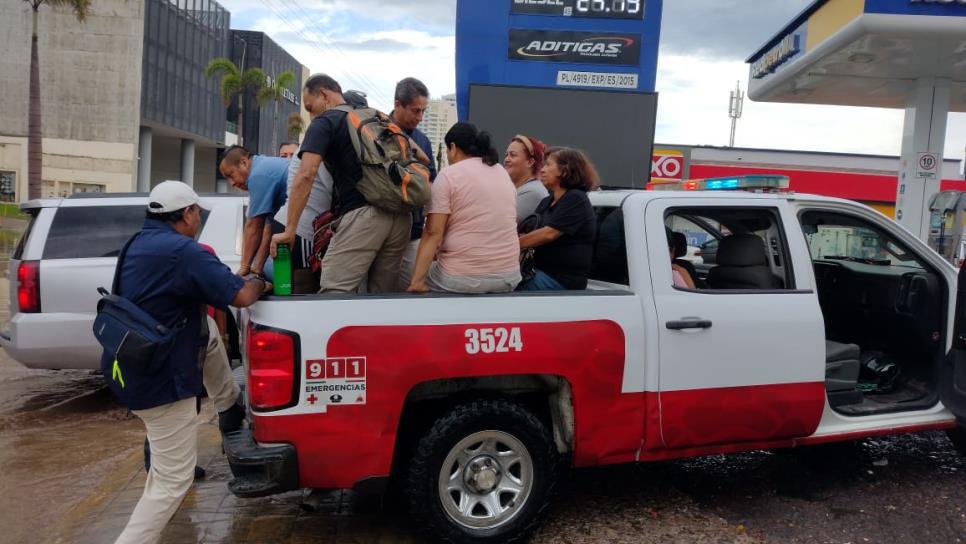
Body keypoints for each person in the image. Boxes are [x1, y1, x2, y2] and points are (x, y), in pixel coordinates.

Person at [110, 181, 266, 544]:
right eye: (198, 212)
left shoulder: (138, 242)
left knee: (207, 327)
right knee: (172, 481)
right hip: (162, 380)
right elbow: (241, 296)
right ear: (187, 214)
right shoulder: (183, 252)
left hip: (130, 367)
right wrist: (260, 281)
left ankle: (227, 403)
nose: (199, 219)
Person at [271, 73, 411, 294]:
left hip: (364, 216)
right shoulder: (377, 118)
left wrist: (290, 231)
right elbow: (419, 156)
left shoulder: (326, 122)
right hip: (401, 215)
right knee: (381, 296)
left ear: (324, 95)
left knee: (334, 291)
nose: (310, 114)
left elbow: (306, 174)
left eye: (309, 107)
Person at [407, 123, 521, 294]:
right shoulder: (501, 172)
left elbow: (432, 232)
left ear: (453, 147)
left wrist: (417, 282)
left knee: (407, 264)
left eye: (446, 150)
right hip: (508, 277)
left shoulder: (448, 175)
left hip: (462, 278)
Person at [517, 148, 598, 291]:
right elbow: (532, 231)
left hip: (560, 280)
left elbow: (549, 233)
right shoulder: (546, 202)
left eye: (548, 165)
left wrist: (511, 245)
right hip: (538, 271)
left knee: (509, 288)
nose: (542, 170)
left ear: (565, 171)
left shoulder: (576, 199)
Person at [391, 77, 438, 291]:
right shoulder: (375, 131)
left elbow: (432, 180)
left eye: (423, 111)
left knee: (409, 288)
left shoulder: (423, 140)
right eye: (415, 110)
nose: (419, 117)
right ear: (397, 104)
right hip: (380, 225)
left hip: (414, 230)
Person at [272, 140, 335, 293]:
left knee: (291, 287)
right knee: (303, 287)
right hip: (303, 228)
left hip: (293, 223)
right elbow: (329, 186)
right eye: (283, 155)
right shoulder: (317, 144)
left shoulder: (315, 143)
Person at [219, 146, 289, 277]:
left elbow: (254, 226)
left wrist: (244, 268)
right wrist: (256, 269)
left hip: (312, 220)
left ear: (244, 163)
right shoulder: (263, 167)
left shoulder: (258, 175)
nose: (231, 183)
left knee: (273, 271)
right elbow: (267, 229)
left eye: (230, 175)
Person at [504, 134, 549, 223]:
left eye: (513, 155)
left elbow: (501, 225)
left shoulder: (533, 191)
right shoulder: (523, 188)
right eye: (506, 155)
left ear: (530, 162)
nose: (506, 159)